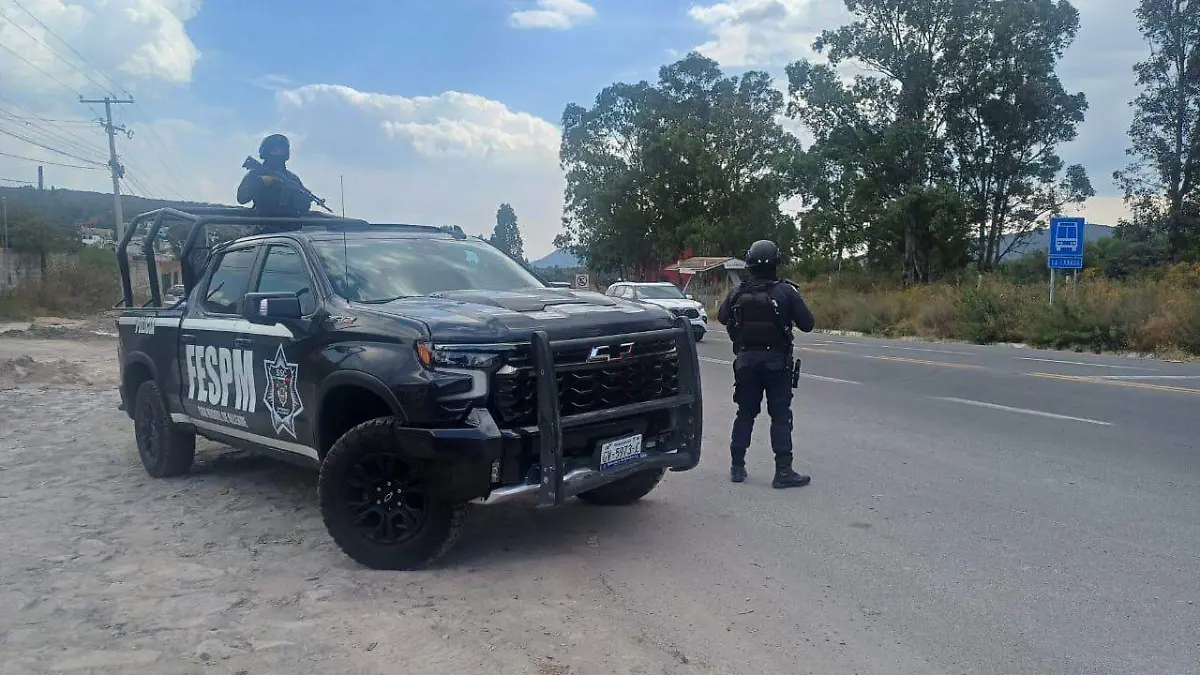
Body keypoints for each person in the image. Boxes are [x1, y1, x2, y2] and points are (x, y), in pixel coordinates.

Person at [717, 239, 816, 488]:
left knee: (745, 414)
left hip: (746, 361)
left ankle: (737, 467)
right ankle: (783, 471)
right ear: (776, 262)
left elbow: (722, 317)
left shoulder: (738, 292)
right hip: (776, 364)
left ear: (749, 263)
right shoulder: (786, 291)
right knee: (780, 417)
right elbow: (807, 324)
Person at [236, 134, 313, 218]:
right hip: (263, 222)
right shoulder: (255, 174)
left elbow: (303, 208)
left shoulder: (292, 178)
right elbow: (241, 198)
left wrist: (305, 198)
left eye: (281, 150)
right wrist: (260, 182)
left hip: (289, 223)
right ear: (266, 152)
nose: (278, 153)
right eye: (274, 150)